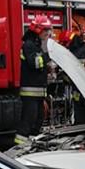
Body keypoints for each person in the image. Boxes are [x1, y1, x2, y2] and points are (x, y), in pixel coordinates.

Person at [17, 14, 52, 142]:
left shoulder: (36, 45)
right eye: (46, 30)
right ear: (38, 30)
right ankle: (19, 147)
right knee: (27, 122)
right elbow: (34, 63)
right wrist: (49, 56)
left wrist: (47, 69)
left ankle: (31, 144)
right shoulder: (29, 45)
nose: (48, 33)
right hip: (30, 92)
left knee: (37, 122)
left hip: (38, 93)